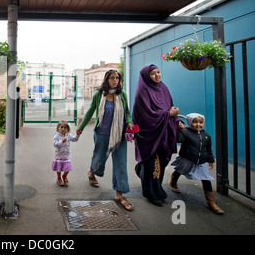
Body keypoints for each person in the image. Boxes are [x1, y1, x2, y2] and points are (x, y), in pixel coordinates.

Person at [77, 69, 134, 211]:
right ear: (107, 80)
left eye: (117, 78)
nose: (115, 80)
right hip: (102, 133)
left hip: (119, 134)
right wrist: (81, 127)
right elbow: (90, 111)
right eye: (112, 78)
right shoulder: (99, 94)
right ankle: (92, 171)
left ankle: (119, 194)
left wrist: (128, 122)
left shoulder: (122, 95)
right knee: (99, 159)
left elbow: (127, 111)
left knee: (121, 164)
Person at [132, 64, 181, 206]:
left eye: (158, 72)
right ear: (147, 76)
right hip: (149, 135)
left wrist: (176, 121)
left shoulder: (163, 88)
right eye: (153, 73)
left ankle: (145, 175)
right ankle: (152, 194)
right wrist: (168, 115)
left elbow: (169, 106)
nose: (157, 75)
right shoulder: (142, 91)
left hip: (164, 132)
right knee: (152, 165)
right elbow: (146, 116)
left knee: (162, 162)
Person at [169, 113, 224, 214]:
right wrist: (178, 130)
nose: (198, 124)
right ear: (189, 122)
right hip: (187, 158)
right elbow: (179, 139)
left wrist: (210, 160)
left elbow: (208, 150)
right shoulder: (185, 131)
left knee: (206, 178)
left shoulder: (206, 136)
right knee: (180, 170)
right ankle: (173, 181)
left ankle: (211, 202)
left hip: (201, 161)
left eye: (201, 122)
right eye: (195, 122)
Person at [52, 120, 79, 187]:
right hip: (59, 156)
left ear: (68, 129)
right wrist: (62, 142)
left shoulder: (68, 135)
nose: (63, 129)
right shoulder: (56, 136)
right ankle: (59, 178)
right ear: (58, 128)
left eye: (65, 127)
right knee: (59, 168)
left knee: (67, 168)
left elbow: (74, 139)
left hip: (66, 156)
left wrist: (78, 135)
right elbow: (55, 144)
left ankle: (64, 176)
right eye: (61, 127)